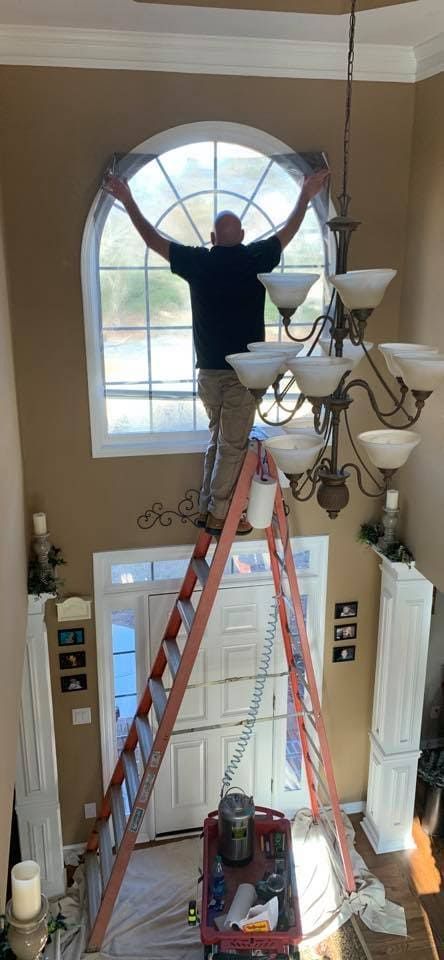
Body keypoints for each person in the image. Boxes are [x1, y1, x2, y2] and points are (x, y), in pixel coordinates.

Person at [104, 166, 329, 536]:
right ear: (241, 237)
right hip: (245, 374)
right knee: (232, 446)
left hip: (208, 374)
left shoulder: (199, 262)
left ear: (212, 238)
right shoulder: (254, 257)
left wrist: (127, 200)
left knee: (218, 441)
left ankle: (208, 509)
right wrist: (305, 195)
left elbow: (153, 240)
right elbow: (286, 233)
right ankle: (220, 514)